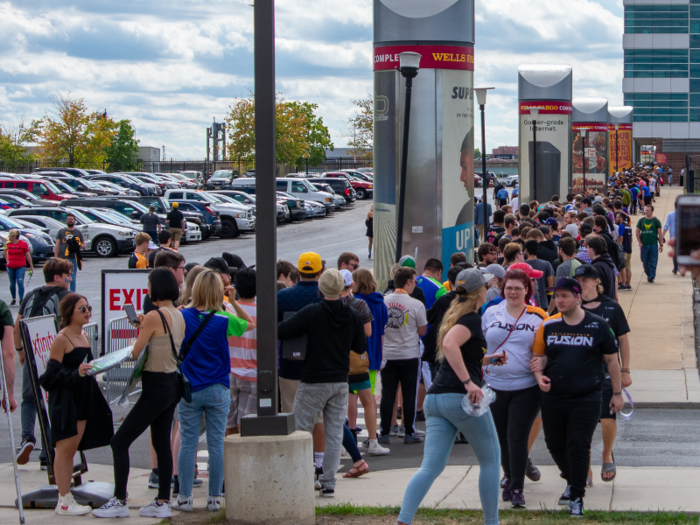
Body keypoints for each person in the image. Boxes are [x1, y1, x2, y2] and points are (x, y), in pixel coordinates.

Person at [394, 269, 503, 525]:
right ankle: (492, 522)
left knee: (430, 467)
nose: (489, 290)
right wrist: (468, 383)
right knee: (491, 460)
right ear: (480, 291)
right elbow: (450, 345)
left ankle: (403, 520)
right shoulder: (472, 319)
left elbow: (459, 351)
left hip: (436, 400)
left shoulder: (457, 315)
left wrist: (487, 359)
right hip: (459, 399)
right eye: (487, 287)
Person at [93, 269, 184, 519]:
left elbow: (135, 353)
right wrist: (144, 325)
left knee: (119, 442)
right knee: (161, 443)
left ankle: (120, 500)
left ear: (156, 288)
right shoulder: (178, 314)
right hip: (171, 382)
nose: (147, 289)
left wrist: (142, 327)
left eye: (148, 285)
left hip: (154, 385)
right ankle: (162, 500)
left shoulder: (155, 316)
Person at [531, 277, 623, 517]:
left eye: (564, 296)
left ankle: (577, 497)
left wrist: (617, 393)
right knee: (554, 445)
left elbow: (612, 360)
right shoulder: (549, 326)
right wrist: (539, 375)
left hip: (587, 396)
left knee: (578, 445)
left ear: (577, 297)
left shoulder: (598, 325)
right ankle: (572, 480)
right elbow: (539, 357)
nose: (558, 300)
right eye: (556, 296)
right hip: (553, 397)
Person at [278, 269, 367, 497]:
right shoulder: (352, 315)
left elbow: (282, 331)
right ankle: (329, 482)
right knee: (335, 432)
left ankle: (302, 476)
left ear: (321, 288)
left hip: (313, 379)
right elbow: (360, 347)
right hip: (339, 380)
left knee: (301, 429)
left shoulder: (312, 312)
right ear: (343, 289)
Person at [172, 270, 255, 513]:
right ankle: (214, 497)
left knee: (188, 442)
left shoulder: (182, 317)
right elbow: (249, 324)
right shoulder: (222, 319)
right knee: (217, 443)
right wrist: (232, 301)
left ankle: (185, 496)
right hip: (218, 386)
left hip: (190, 387)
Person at [39, 293, 113, 516]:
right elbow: (50, 376)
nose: (88, 311)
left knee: (72, 450)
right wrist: (76, 373)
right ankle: (63, 500)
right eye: (82, 309)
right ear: (69, 312)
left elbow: (86, 366)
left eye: (88, 307)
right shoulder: (62, 339)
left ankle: (66, 497)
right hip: (66, 401)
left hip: (83, 398)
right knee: (64, 450)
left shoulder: (83, 334)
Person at [482, 268, 546, 508]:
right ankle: (509, 478)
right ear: (502, 289)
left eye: (518, 288)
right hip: (495, 386)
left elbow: (546, 349)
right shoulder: (490, 313)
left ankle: (518, 487)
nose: (512, 292)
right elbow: (479, 346)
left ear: (527, 290)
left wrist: (543, 363)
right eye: (508, 288)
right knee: (501, 439)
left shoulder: (538, 316)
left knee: (516, 436)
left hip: (526, 387)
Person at [574, 264, 632, 483]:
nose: (580, 285)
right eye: (577, 281)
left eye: (584, 281)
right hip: (578, 374)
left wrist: (625, 370)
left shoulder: (611, 307)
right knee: (583, 424)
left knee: (607, 420)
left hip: (607, 373)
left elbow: (623, 339)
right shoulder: (571, 306)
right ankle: (585, 467)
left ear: (596, 281)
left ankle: (606, 453)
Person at [14, 258, 74, 468]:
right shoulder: (66, 297)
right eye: (68, 275)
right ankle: (48, 453)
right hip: (54, 357)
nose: (70, 278)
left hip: (32, 353)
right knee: (53, 401)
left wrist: (20, 350)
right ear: (57, 277)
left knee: (29, 400)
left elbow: (17, 325)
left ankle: (27, 438)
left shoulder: (31, 295)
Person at [278, 252, 326, 486]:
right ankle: (319, 467)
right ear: (319, 272)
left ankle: (297, 466)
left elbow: (276, 328)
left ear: (297, 272)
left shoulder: (284, 296)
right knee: (318, 418)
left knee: (291, 416)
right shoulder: (325, 297)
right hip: (318, 365)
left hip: (290, 365)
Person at [339, 269, 389, 460]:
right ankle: (372, 440)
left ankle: (348, 436)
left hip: (339, 359)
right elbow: (370, 331)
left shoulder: (330, 304)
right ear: (350, 284)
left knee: (346, 399)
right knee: (368, 400)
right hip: (364, 357)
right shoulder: (360, 304)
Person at [379, 267, 428, 445]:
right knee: (409, 394)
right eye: (414, 281)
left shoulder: (383, 301)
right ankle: (409, 431)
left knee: (388, 393)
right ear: (408, 282)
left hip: (388, 354)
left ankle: (384, 431)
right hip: (409, 354)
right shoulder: (416, 304)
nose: (415, 285)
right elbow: (422, 330)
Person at [225, 268, 258, 437]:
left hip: (229, 372)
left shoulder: (228, 310)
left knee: (227, 424)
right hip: (253, 373)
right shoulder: (263, 312)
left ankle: (227, 461)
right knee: (245, 427)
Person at [54, 213, 84, 292]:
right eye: (68, 219)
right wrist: (56, 258)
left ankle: (72, 295)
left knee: (72, 278)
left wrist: (76, 245)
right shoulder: (61, 231)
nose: (70, 221)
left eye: (71, 219)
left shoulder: (78, 232)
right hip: (62, 258)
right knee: (61, 277)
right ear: (66, 221)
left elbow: (84, 245)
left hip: (73, 259)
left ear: (74, 221)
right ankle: (62, 293)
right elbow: (57, 245)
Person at [4, 229, 33, 305]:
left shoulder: (23, 244)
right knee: (12, 282)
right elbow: (5, 252)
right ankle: (13, 298)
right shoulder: (7, 244)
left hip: (21, 265)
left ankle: (21, 298)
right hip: (11, 266)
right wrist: (7, 260)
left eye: (10, 235)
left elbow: (27, 255)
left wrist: (31, 266)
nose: (8, 237)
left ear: (14, 236)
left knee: (20, 281)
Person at [636, 205, 663, 283]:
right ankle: (648, 273)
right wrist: (639, 242)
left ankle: (651, 276)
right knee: (644, 261)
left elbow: (660, 234)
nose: (646, 212)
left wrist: (661, 244)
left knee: (653, 261)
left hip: (653, 244)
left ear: (652, 211)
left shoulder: (656, 221)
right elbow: (637, 232)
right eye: (645, 210)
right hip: (644, 245)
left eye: (648, 210)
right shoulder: (641, 221)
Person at [524, 240, 554, 310]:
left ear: (527, 250)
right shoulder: (546, 264)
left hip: (526, 303)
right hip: (543, 302)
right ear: (537, 250)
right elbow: (550, 287)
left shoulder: (522, 265)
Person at [586, 235, 617, 301]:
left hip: (601, 305)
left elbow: (597, 290)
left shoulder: (597, 267)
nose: (587, 250)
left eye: (587, 248)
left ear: (592, 249)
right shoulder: (608, 263)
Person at [616, 212, 633, 290]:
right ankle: (628, 284)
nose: (617, 219)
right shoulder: (629, 226)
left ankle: (623, 284)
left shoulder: (621, 226)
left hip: (623, 249)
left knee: (622, 266)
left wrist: (619, 247)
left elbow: (621, 237)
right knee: (628, 267)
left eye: (618, 217)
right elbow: (631, 239)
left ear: (621, 218)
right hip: (629, 249)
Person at [663, 203, 678, 275]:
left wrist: (662, 236)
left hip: (673, 236)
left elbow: (666, 226)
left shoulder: (670, 214)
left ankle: (675, 267)